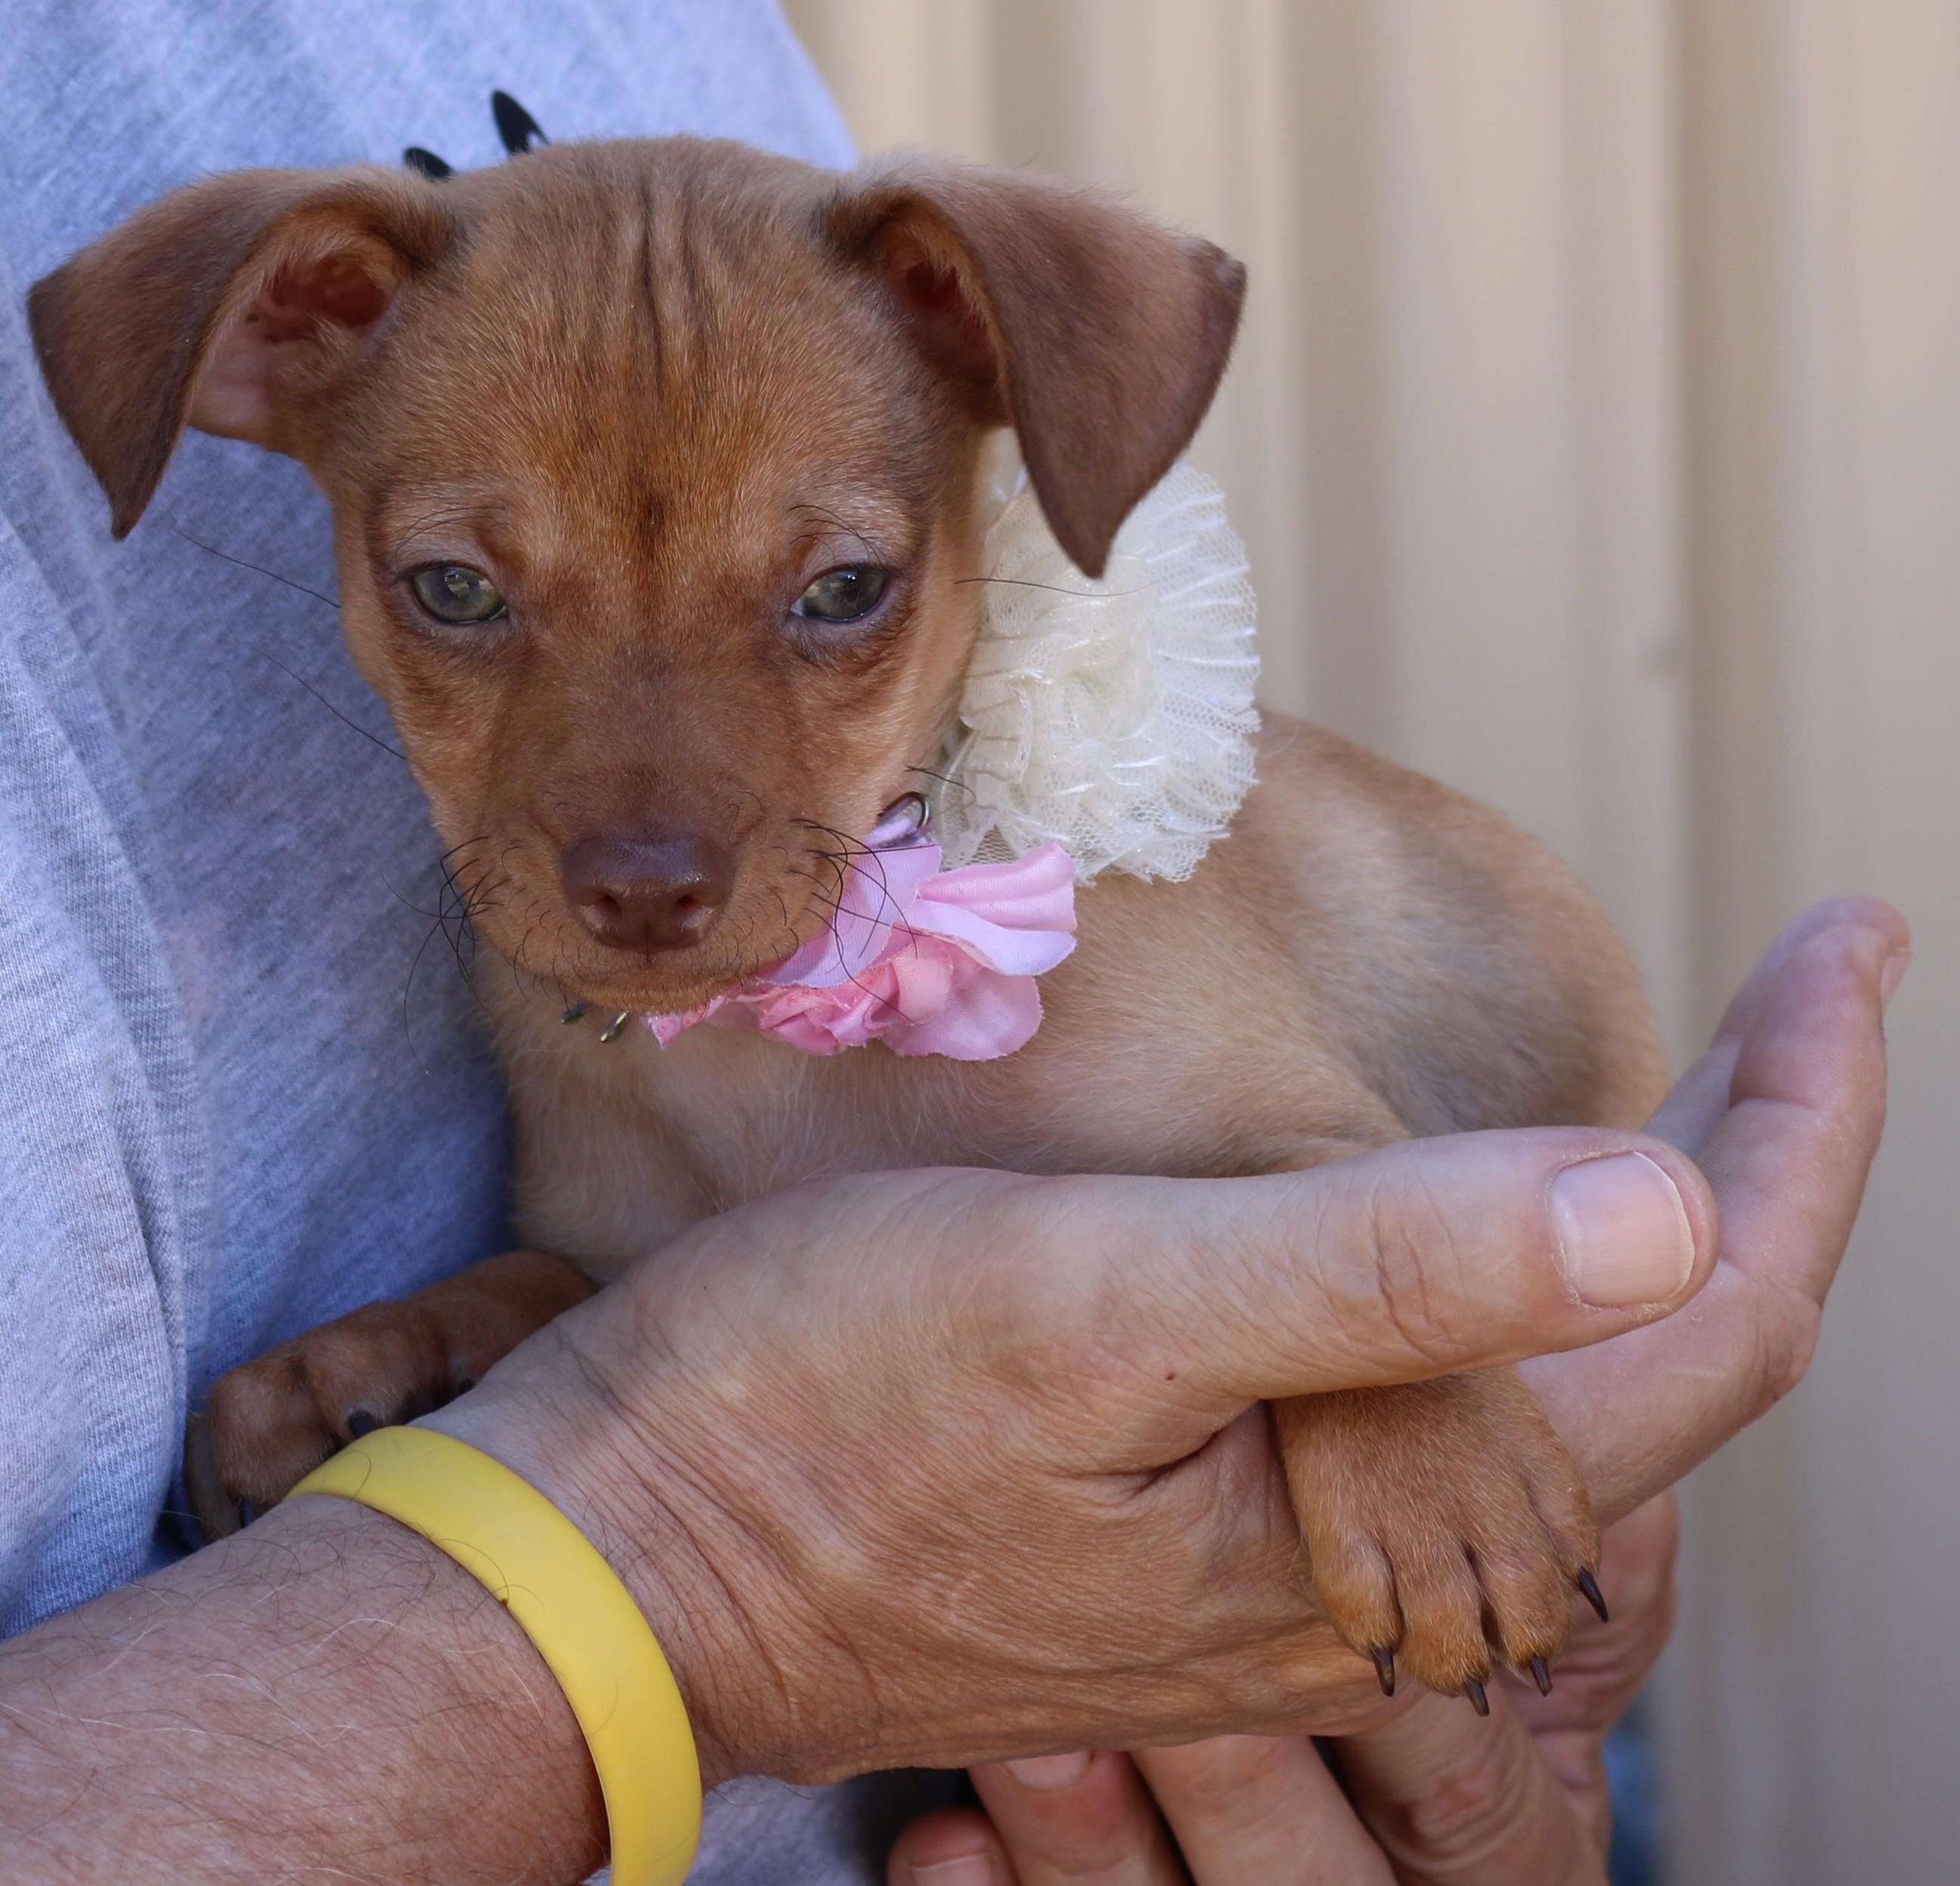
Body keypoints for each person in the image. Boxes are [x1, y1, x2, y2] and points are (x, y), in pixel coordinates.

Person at [0, 1, 1903, 1880]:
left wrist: (1400, 1392)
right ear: (275, 348)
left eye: (830, 597)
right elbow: (668, 1310)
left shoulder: (1074, 940)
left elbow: (1329, 1199)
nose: (643, 843)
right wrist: (478, 1351)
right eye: (462, 596)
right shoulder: (568, 1015)